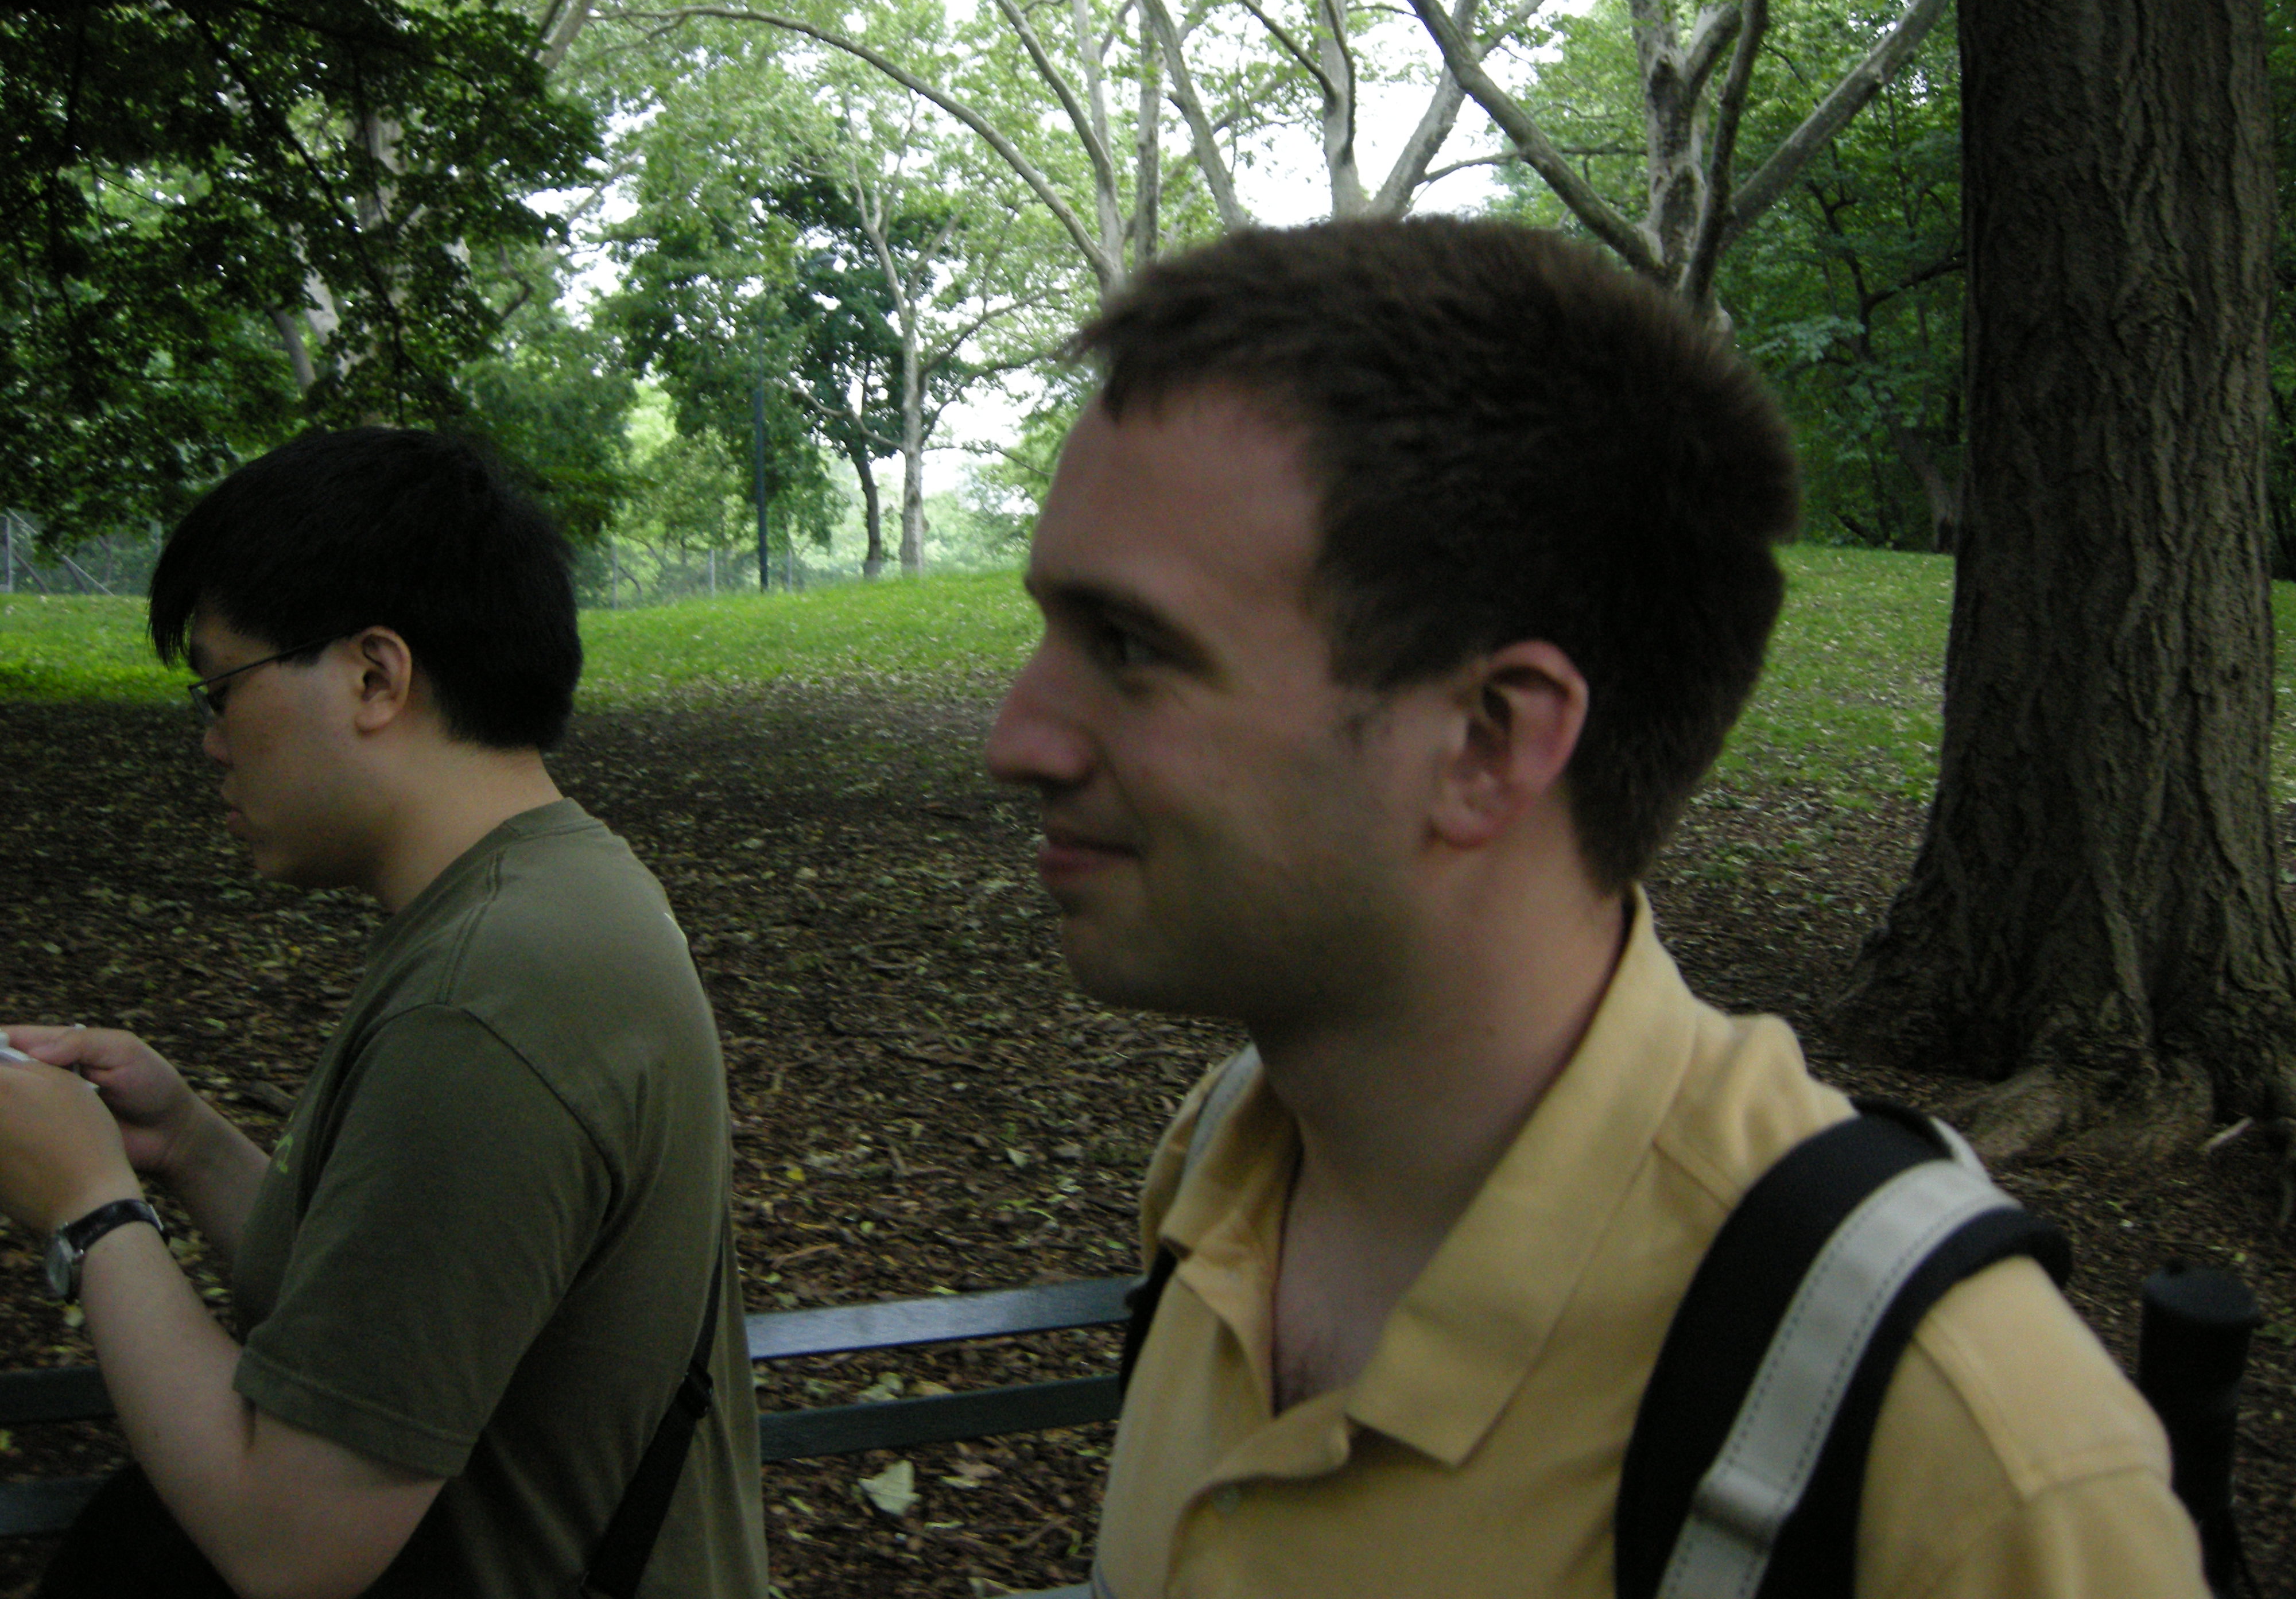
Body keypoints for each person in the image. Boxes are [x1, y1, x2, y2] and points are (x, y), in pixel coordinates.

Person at [984, 219, 2208, 1597]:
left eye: (1129, 646)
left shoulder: (1971, 1462)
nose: (1015, 739)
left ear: (1487, 743)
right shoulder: (1220, 1168)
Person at [0, 429, 766, 1597]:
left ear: (375, 677)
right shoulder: (561, 890)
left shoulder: (489, 999)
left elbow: (287, 1544)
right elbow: (394, 1314)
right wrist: (188, 1143)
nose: (210, 742)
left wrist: (90, 1210)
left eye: (221, 688)